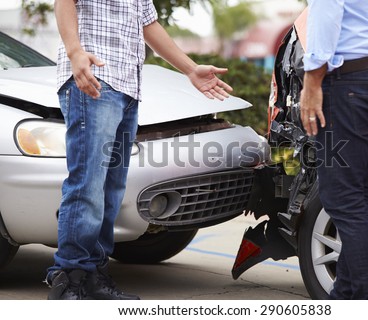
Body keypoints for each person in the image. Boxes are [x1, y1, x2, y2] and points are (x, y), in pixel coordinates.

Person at [46, 0, 233, 300]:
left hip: (128, 88)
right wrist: (75, 52)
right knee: (88, 186)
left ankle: (94, 276)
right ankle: (70, 279)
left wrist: (190, 69)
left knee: (111, 190)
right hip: (94, 79)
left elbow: (148, 24)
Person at [299, 0, 368, 299]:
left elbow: (326, 13)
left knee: (343, 198)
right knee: (357, 194)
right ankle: (344, 295)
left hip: (349, 85)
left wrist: (311, 81)